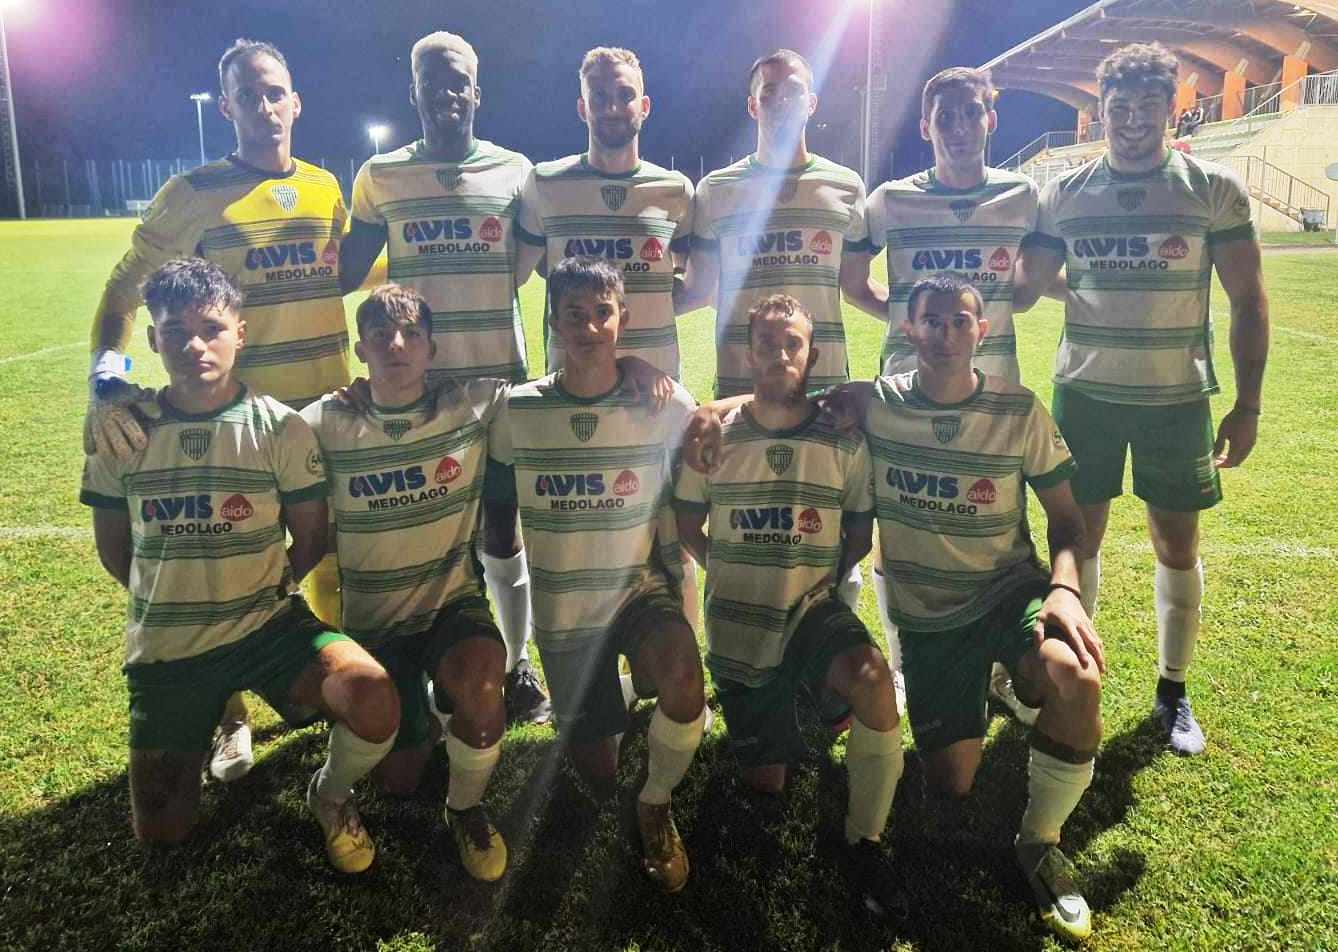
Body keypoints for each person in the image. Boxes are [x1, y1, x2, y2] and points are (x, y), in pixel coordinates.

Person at [682, 272, 1105, 941]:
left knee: (1076, 676)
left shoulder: (1019, 410)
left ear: (982, 330)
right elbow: (782, 394)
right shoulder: (876, 403)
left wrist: (1065, 588)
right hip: (931, 621)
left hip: (1008, 592)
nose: (945, 335)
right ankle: (992, 686)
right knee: (951, 784)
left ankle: (1041, 842)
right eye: (931, 321)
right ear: (908, 330)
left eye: (959, 321)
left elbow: (1069, 521)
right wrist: (709, 410)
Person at [83, 37, 353, 783]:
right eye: (248, 95)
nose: (264, 106)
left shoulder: (327, 188)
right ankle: (229, 717)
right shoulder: (192, 193)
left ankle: (333, 684)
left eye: (275, 92)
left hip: (326, 411)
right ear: (227, 107)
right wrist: (106, 377)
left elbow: (336, 273)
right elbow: (125, 289)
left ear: (296, 102)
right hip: (238, 424)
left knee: (332, 553)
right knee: (220, 568)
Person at [80, 259, 400, 874]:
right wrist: (175, 600)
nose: (194, 345)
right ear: (153, 339)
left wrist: (269, 590)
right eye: (175, 331)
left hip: (269, 629)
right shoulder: (123, 432)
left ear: (240, 334)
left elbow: (311, 538)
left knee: (372, 697)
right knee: (163, 831)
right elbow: (115, 551)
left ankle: (329, 794)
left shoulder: (279, 427)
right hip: (170, 652)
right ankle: (207, 713)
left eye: (211, 329)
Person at [1015, 42, 1269, 756]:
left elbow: (1248, 299)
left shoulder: (1211, 187)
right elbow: (1028, 285)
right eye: (1118, 108)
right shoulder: (1064, 192)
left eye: (1147, 106)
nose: (1131, 121)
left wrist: (1248, 404)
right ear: (1101, 111)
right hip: (1085, 395)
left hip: (1176, 398)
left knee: (1176, 543)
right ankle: (1078, 682)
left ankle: (1173, 690)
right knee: (1079, 539)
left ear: (1171, 107)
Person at [339, 31, 550, 725]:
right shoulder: (381, 176)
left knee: (501, 528)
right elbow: (342, 272)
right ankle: (441, 661)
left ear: (476, 91)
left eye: (457, 80)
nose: (446, 92)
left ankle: (516, 666)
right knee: (431, 536)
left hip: (496, 385)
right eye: (432, 80)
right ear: (414, 92)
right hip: (416, 392)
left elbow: (533, 266)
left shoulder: (515, 172)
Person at [673, 294, 904, 915]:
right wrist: (728, 569)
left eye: (792, 344)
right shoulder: (712, 436)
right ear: (747, 354)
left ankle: (866, 841)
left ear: (813, 355)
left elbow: (859, 533)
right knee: (766, 784)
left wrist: (813, 577)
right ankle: (812, 697)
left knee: (874, 682)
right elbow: (688, 522)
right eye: (767, 344)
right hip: (739, 622)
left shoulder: (842, 438)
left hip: (812, 606)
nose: (780, 355)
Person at [487, 257, 708, 893]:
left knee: (684, 686)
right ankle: (616, 709)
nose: (588, 327)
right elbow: (498, 512)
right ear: (553, 321)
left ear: (623, 319)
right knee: (598, 771)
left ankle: (656, 802)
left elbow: (719, 423)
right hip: (565, 612)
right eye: (574, 314)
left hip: (640, 590)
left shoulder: (661, 402)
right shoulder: (516, 410)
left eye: (602, 313)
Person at [301, 285, 510, 882]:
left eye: (411, 334)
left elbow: (566, 386)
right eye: (381, 336)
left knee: (483, 689)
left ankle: (464, 806)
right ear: (360, 350)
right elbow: (252, 434)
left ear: (431, 349)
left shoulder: (474, 405)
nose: (397, 345)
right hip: (376, 622)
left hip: (452, 605)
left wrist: (637, 368)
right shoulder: (324, 421)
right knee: (398, 779)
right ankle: (327, 791)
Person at [862, 65, 1045, 726]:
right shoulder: (891, 200)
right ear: (926, 126)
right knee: (898, 526)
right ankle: (903, 662)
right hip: (907, 393)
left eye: (971, 112)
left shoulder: (1021, 196)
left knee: (993, 522)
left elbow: (1029, 288)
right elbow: (854, 279)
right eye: (946, 116)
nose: (960, 126)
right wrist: (905, 324)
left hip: (991, 394)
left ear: (990, 119)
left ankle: (997, 666)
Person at [676, 49, 877, 400]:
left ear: (811, 103)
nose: (782, 100)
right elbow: (699, 289)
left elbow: (857, 286)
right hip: (742, 386)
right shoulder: (716, 190)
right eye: (769, 91)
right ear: (753, 106)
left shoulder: (846, 186)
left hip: (824, 387)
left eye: (794, 91)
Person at [517, 46, 694, 379]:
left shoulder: (676, 190)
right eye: (599, 97)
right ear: (582, 108)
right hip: (573, 385)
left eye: (625, 95)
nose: (612, 108)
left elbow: (696, 278)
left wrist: (654, 303)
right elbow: (521, 273)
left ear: (644, 107)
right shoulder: (545, 183)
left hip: (655, 389)